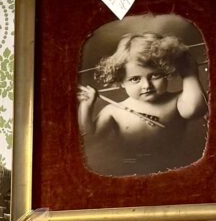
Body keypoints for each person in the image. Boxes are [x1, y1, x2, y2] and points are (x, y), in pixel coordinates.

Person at [78, 32, 207, 177]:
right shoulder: (113, 110)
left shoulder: (177, 100)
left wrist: (189, 73)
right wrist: (86, 106)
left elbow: (195, 110)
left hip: (174, 166)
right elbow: (90, 139)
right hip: (130, 168)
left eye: (155, 75)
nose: (147, 85)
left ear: (167, 70)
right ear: (121, 81)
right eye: (135, 79)